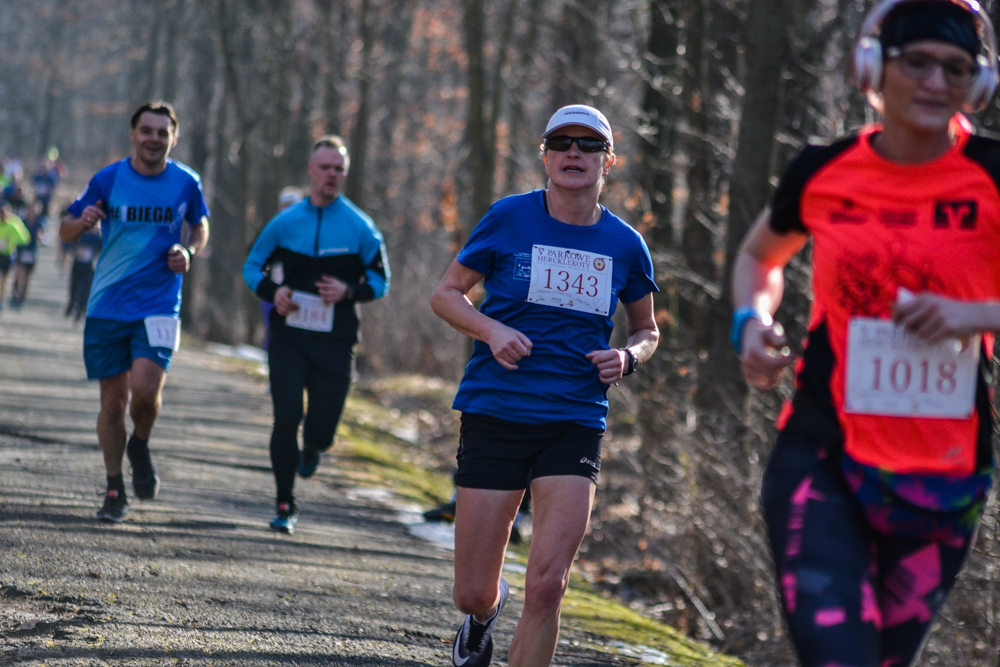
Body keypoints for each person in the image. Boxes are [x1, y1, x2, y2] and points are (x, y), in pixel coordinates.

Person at [732, 2, 1000, 665]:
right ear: (874, 68)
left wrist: (975, 315)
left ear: (979, 82)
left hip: (945, 481)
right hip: (824, 457)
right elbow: (759, 258)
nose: (936, 82)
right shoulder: (824, 169)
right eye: (918, 62)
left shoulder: (993, 175)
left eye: (956, 68)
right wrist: (751, 320)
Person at [431, 105, 659, 667]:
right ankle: (483, 616)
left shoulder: (626, 244)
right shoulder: (509, 218)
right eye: (561, 143)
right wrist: (491, 330)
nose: (573, 152)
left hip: (574, 419)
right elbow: (447, 294)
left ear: (608, 160)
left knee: (549, 585)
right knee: (472, 591)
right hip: (496, 410)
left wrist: (628, 357)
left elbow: (647, 330)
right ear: (546, 156)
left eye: (588, 144)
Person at [60, 101, 209, 523]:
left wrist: (188, 251)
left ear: (173, 138)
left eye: (163, 133)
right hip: (108, 304)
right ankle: (114, 488)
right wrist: (82, 223)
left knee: (145, 392)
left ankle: (139, 444)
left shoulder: (186, 182)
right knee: (113, 403)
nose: (154, 139)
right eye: (147, 131)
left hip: (159, 304)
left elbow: (199, 226)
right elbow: (65, 230)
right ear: (133, 135)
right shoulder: (109, 179)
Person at [242, 136, 390, 535]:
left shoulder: (360, 227)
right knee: (286, 416)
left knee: (322, 431)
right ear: (311, 170)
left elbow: (381, 282)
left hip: (336, 342)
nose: (331, 175)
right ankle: (284, 503)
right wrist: (274, 292)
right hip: (288, 337)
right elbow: (252, 267)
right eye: (324, 167)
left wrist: (348, 291)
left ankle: (313, 448)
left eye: (339, 169)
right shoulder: (285, 223)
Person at [11, 202, 47, 309]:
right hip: (21, 251)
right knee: (18, 275)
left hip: (31, 253)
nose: (32, 212)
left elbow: (43, 237)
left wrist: (41, 237)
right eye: (30, 210)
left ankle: (22, 299)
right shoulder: (22, 222)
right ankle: (14, 295)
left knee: (26, 278)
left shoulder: (39, 223)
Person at [66, 225, 102, 322]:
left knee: (85, 290)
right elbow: (70, 244)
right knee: (74, 287)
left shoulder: (97, 238)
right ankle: (71, 304)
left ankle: (81, 310)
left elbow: (101, 249)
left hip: (89, 267)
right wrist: (76, 249)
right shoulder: (80, 234)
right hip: (78, 265)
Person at [0, 203, 30, 310]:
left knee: (4, 279)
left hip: (7, 255)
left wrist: (12, 240)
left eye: (5, 213)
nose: (3, 216)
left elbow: (25, 238)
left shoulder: (14, 224)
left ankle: (1, 299)